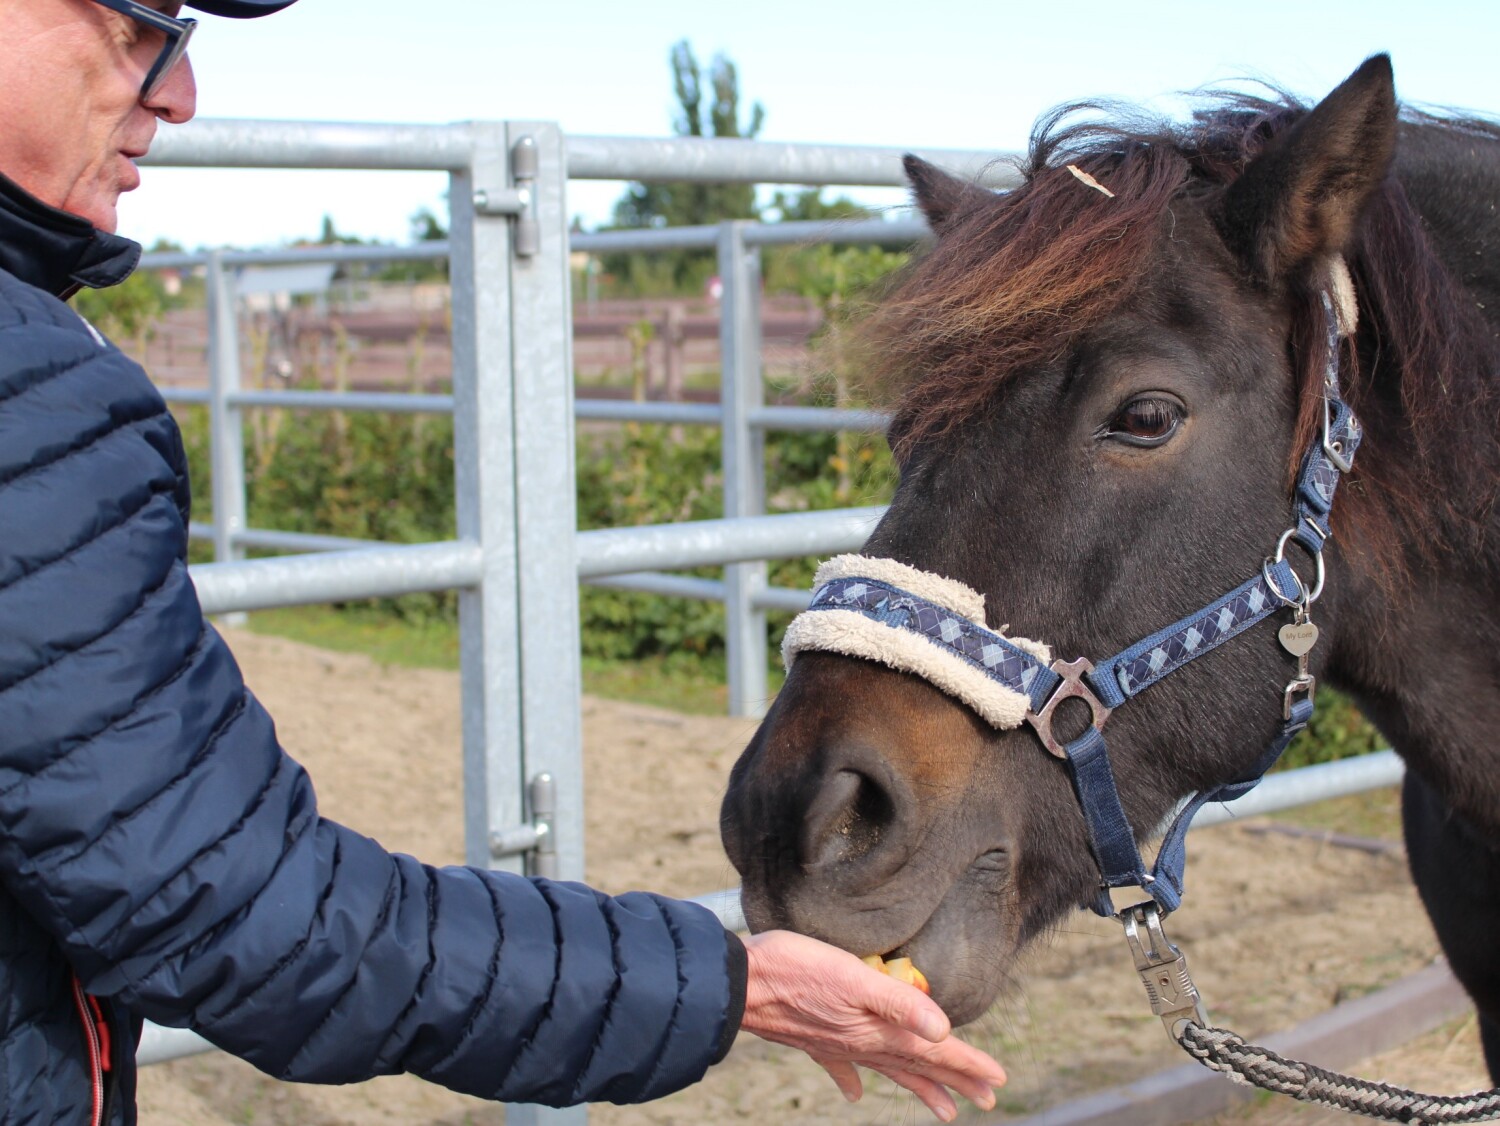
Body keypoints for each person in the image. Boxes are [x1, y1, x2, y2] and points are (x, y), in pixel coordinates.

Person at [0, 2, 1009, 1123]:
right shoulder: (25, 393)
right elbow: (240, 909)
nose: (179, 93)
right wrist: (736, 984)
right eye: (143, 26)